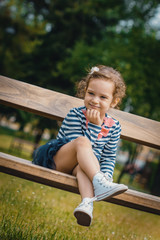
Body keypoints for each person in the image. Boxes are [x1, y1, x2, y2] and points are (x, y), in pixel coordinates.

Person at [33, 65, 128, 227]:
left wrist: (106, 175)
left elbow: (109, 156)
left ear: (114, 101)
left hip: (80, 168)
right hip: (57, 159)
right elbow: (76, 147)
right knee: (83, 143)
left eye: (103, 97)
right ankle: (98, 181)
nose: (95, 100)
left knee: (84, 167)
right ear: (84, 92)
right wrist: (95, 127)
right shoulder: (75, 115)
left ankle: (86, 204)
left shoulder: (114, 126)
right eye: (91, 93)